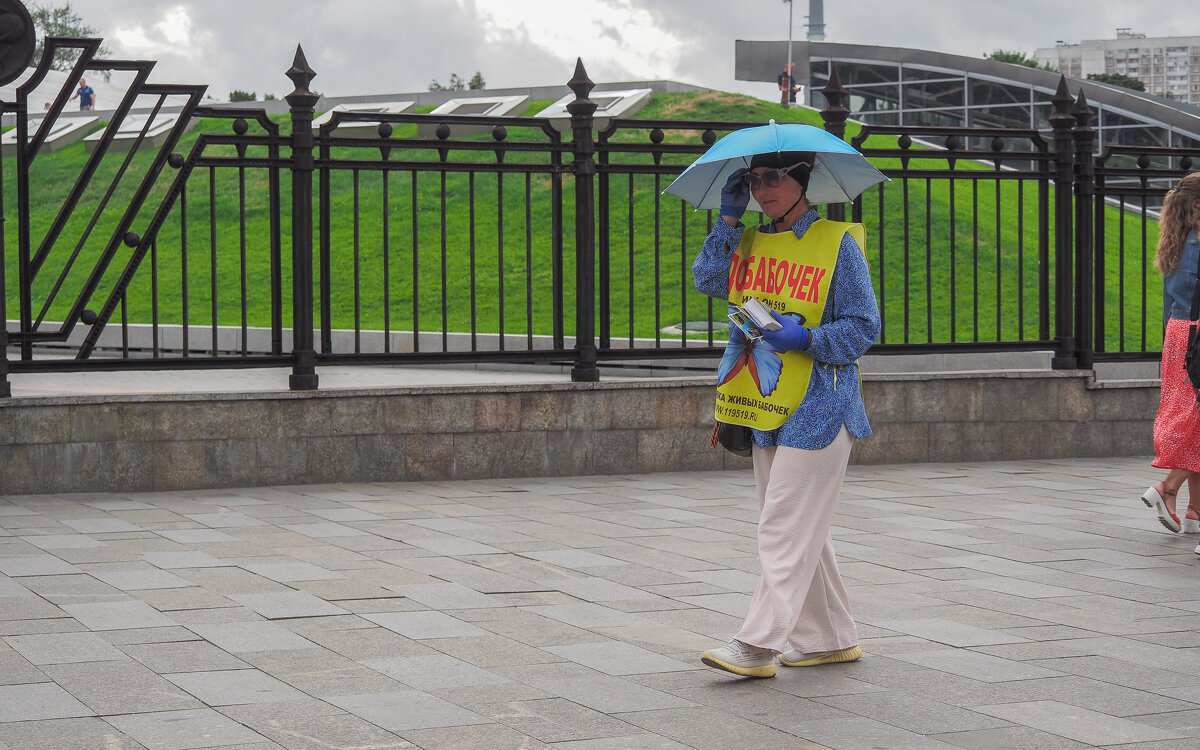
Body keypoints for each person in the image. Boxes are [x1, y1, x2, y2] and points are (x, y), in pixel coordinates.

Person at [692, 150, 880, 678]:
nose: (762, 188)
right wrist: (728, 221)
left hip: (821, 406)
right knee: (799, 530)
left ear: (803, 181)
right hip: (763, 403)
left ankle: (757, 644)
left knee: (782, 526)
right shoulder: (750, 239)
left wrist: (806, 337)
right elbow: (708, 280)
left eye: (774, 177)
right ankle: (828, 639)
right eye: (753, 179)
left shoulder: (837, 244)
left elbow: (864, 327)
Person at [1142, 171, 1200, 546]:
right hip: (1197, 335)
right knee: (1196, 421)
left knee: (1193, 419)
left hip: (1177, 336)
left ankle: (1194, 512)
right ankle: (1168, 486)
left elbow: (1170, 303)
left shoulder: (1178, 242)